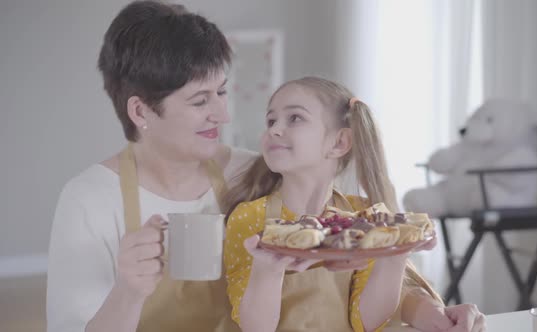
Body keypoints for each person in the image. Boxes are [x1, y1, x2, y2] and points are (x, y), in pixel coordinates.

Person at [46, 1, 255, 331]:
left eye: (222, 91)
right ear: (141, 112)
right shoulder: (88, 199)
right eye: (200, 100)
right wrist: (128, 292)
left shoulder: (251, 173)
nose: (223, 115)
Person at [223, 77, 487, 331]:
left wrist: (395, 256)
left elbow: (368, 321)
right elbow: (254, 327)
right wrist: (268, 269)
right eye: (271, 120)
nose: (274, 129)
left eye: (295, 118)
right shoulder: (249, 218)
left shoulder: (365, 218)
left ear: (339, 143)